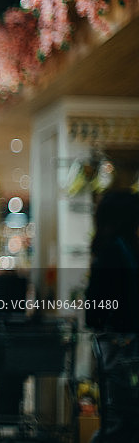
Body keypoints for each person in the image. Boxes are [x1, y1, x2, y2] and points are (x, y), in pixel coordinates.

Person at [85, 189, 139, 442]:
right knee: (125, 418)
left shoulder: (110, 250)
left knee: (118, 416)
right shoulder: (124, 250)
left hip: (115, 345)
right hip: (125, 346)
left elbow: (94, 308)